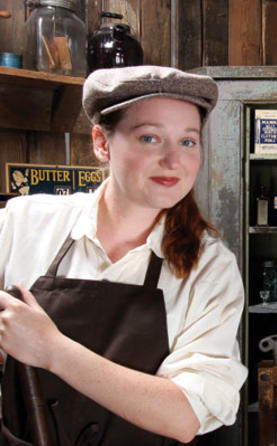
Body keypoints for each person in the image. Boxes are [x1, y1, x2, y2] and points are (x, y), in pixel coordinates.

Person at [0, 66, 248, 444]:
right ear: (102, 142)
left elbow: (185, 415)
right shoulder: (23, 223)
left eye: (188, 141)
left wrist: (53, 350)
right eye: (150, 138)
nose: (173, 160)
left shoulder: (209, 267)